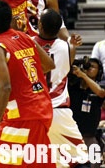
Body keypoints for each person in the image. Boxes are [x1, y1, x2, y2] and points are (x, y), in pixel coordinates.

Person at [0, 0, 55, 167]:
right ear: (10, 20)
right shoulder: (24, 37)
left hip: (24, 114)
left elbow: (5, 86)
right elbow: (48, 65)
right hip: (38, 107)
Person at [34, 9, 89, 167]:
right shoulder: (67, 47)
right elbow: (69, 57)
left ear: (40, 25)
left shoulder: (28, 42)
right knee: (80, 159)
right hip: (58, 109)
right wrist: (73, 44)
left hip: (35, 111)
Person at [69, 58, 105, 168]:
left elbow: (101, 93)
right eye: (87, 66)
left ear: (99, 71)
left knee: (95, 165)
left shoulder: (100, 86)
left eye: (93, 67)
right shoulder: (72, 86)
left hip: (90, 136)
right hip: (72, 137)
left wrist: (84, 76)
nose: (89, 68)